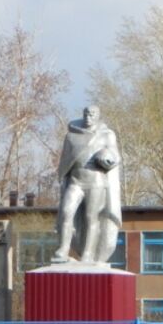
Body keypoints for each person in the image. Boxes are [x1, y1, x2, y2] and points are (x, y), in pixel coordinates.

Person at [52, 105, 122, 264]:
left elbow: (115, 157)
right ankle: (63, 249)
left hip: (96, 182)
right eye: (86, 114)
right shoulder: (71, 136)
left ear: (98, 116)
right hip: (75, 182)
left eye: (92, 114)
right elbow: (64, 161)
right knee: (66, 212)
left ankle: (88, 254)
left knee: (92, 218)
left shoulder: (107, 135)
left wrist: (106, 157)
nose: (88, 117)